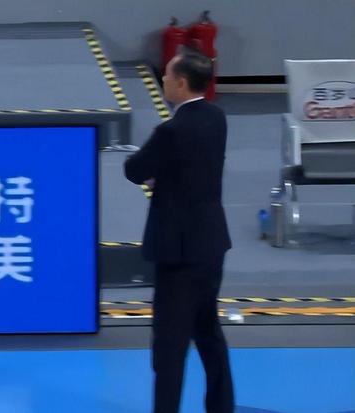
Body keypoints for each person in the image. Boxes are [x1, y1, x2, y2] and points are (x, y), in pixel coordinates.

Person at [123, 51, 235, 413]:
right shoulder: (216, 118)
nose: (163, 80)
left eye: (168, 76)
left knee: (170, 345)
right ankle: (221, 405)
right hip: (211, 242)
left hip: (178, 252)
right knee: (208, 332)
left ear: (182, 82)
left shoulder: (170, 130)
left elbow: (134, 169)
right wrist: (168, 175)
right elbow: (195, 167)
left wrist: (158, 175)